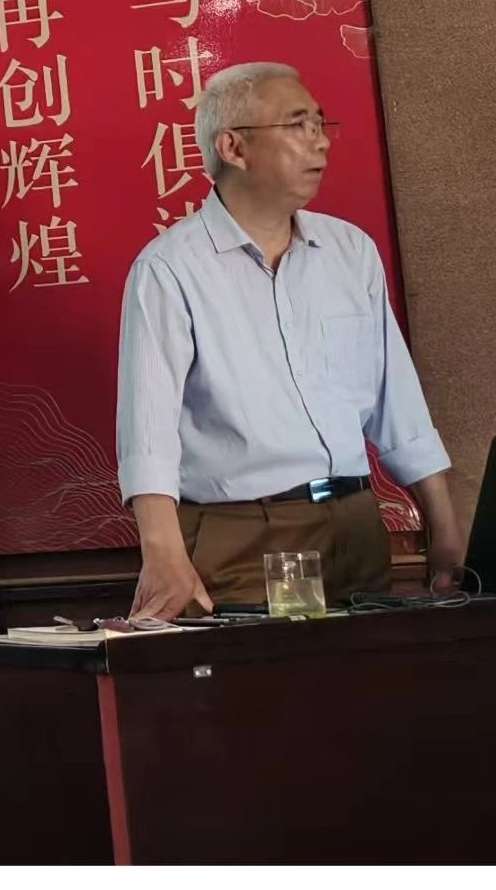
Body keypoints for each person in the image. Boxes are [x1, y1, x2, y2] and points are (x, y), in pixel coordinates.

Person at [117, 62, 464, 618]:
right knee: (263, 676)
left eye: (321, 125)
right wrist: (162, 553)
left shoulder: (350, 251)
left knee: (372, 671)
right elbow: (148, 431)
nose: (319, 142)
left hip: (355, 523)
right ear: (233, 147)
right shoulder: (170, 268)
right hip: (241, 535)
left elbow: (397, 403)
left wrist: (444, 527)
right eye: (298, 125)